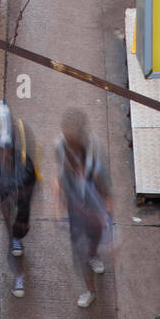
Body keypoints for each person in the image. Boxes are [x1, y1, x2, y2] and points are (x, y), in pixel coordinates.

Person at [55, 109, 112, 308]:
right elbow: (61, 175)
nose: (68, 140)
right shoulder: (60, 146)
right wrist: (60, 205)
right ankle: (90, 289)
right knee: (79, 249)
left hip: (94, 204)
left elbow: (103, 177)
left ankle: (94, 255)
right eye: (66, 135)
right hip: (75, 205)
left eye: (72, 137)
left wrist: (105, 207)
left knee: (94, 238)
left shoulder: (93, 147)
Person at [0, 101, 37, 298]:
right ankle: (18, 274)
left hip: (21, 202)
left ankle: (17, 238)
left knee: (19, 229)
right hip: (7, 201)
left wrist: (18, 197)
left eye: (5, 151)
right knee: (11, 234)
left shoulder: (25, 164)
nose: (2, 155)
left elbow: (31, 184)